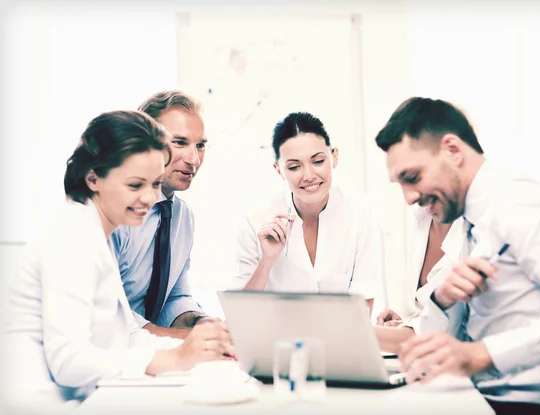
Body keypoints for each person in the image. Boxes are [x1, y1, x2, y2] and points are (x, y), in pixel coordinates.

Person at [375, 97, 540, 415]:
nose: (409, 197)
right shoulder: (469, 216)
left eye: (412, 178)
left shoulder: (521, 201)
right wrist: (442, 297)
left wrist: (481, 354)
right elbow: (451, 334)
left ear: (452, 150)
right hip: (490, 397)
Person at [0, 111, 233, 413]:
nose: (149, 198)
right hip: (39, 404)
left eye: (154, 184)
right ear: (93, 178)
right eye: (136, 186)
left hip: (78, 398)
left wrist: (200, 349)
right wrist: (175, 358)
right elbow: (69, 362)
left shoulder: (98, 235)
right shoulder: (73, 236)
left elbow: (129, 337)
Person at [233, 111, 380, 313]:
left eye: (318, 161)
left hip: (340, 339)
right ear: (279, 170)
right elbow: (241, 314)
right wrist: (266, 261)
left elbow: (363, 302)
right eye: (294, 167)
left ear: (334, 157)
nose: (309, 175)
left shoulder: (359, 211)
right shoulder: (256, 218)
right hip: (275, 340)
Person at [111, 91, 216, 339]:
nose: (193, 159)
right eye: (179, 142)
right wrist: (170, 338)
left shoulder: (181, 216)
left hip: (143, 354)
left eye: (200, 145)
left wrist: (200, 322)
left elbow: (174, 297)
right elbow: (106, 307)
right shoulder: (114, 211)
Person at [374, 206, 467, 352]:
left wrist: (366, 335)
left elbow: (452, 327)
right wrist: (406, 324)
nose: (409, 198)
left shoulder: (474, 231)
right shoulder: (422, 218)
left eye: (413, 181)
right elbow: (432, 314)